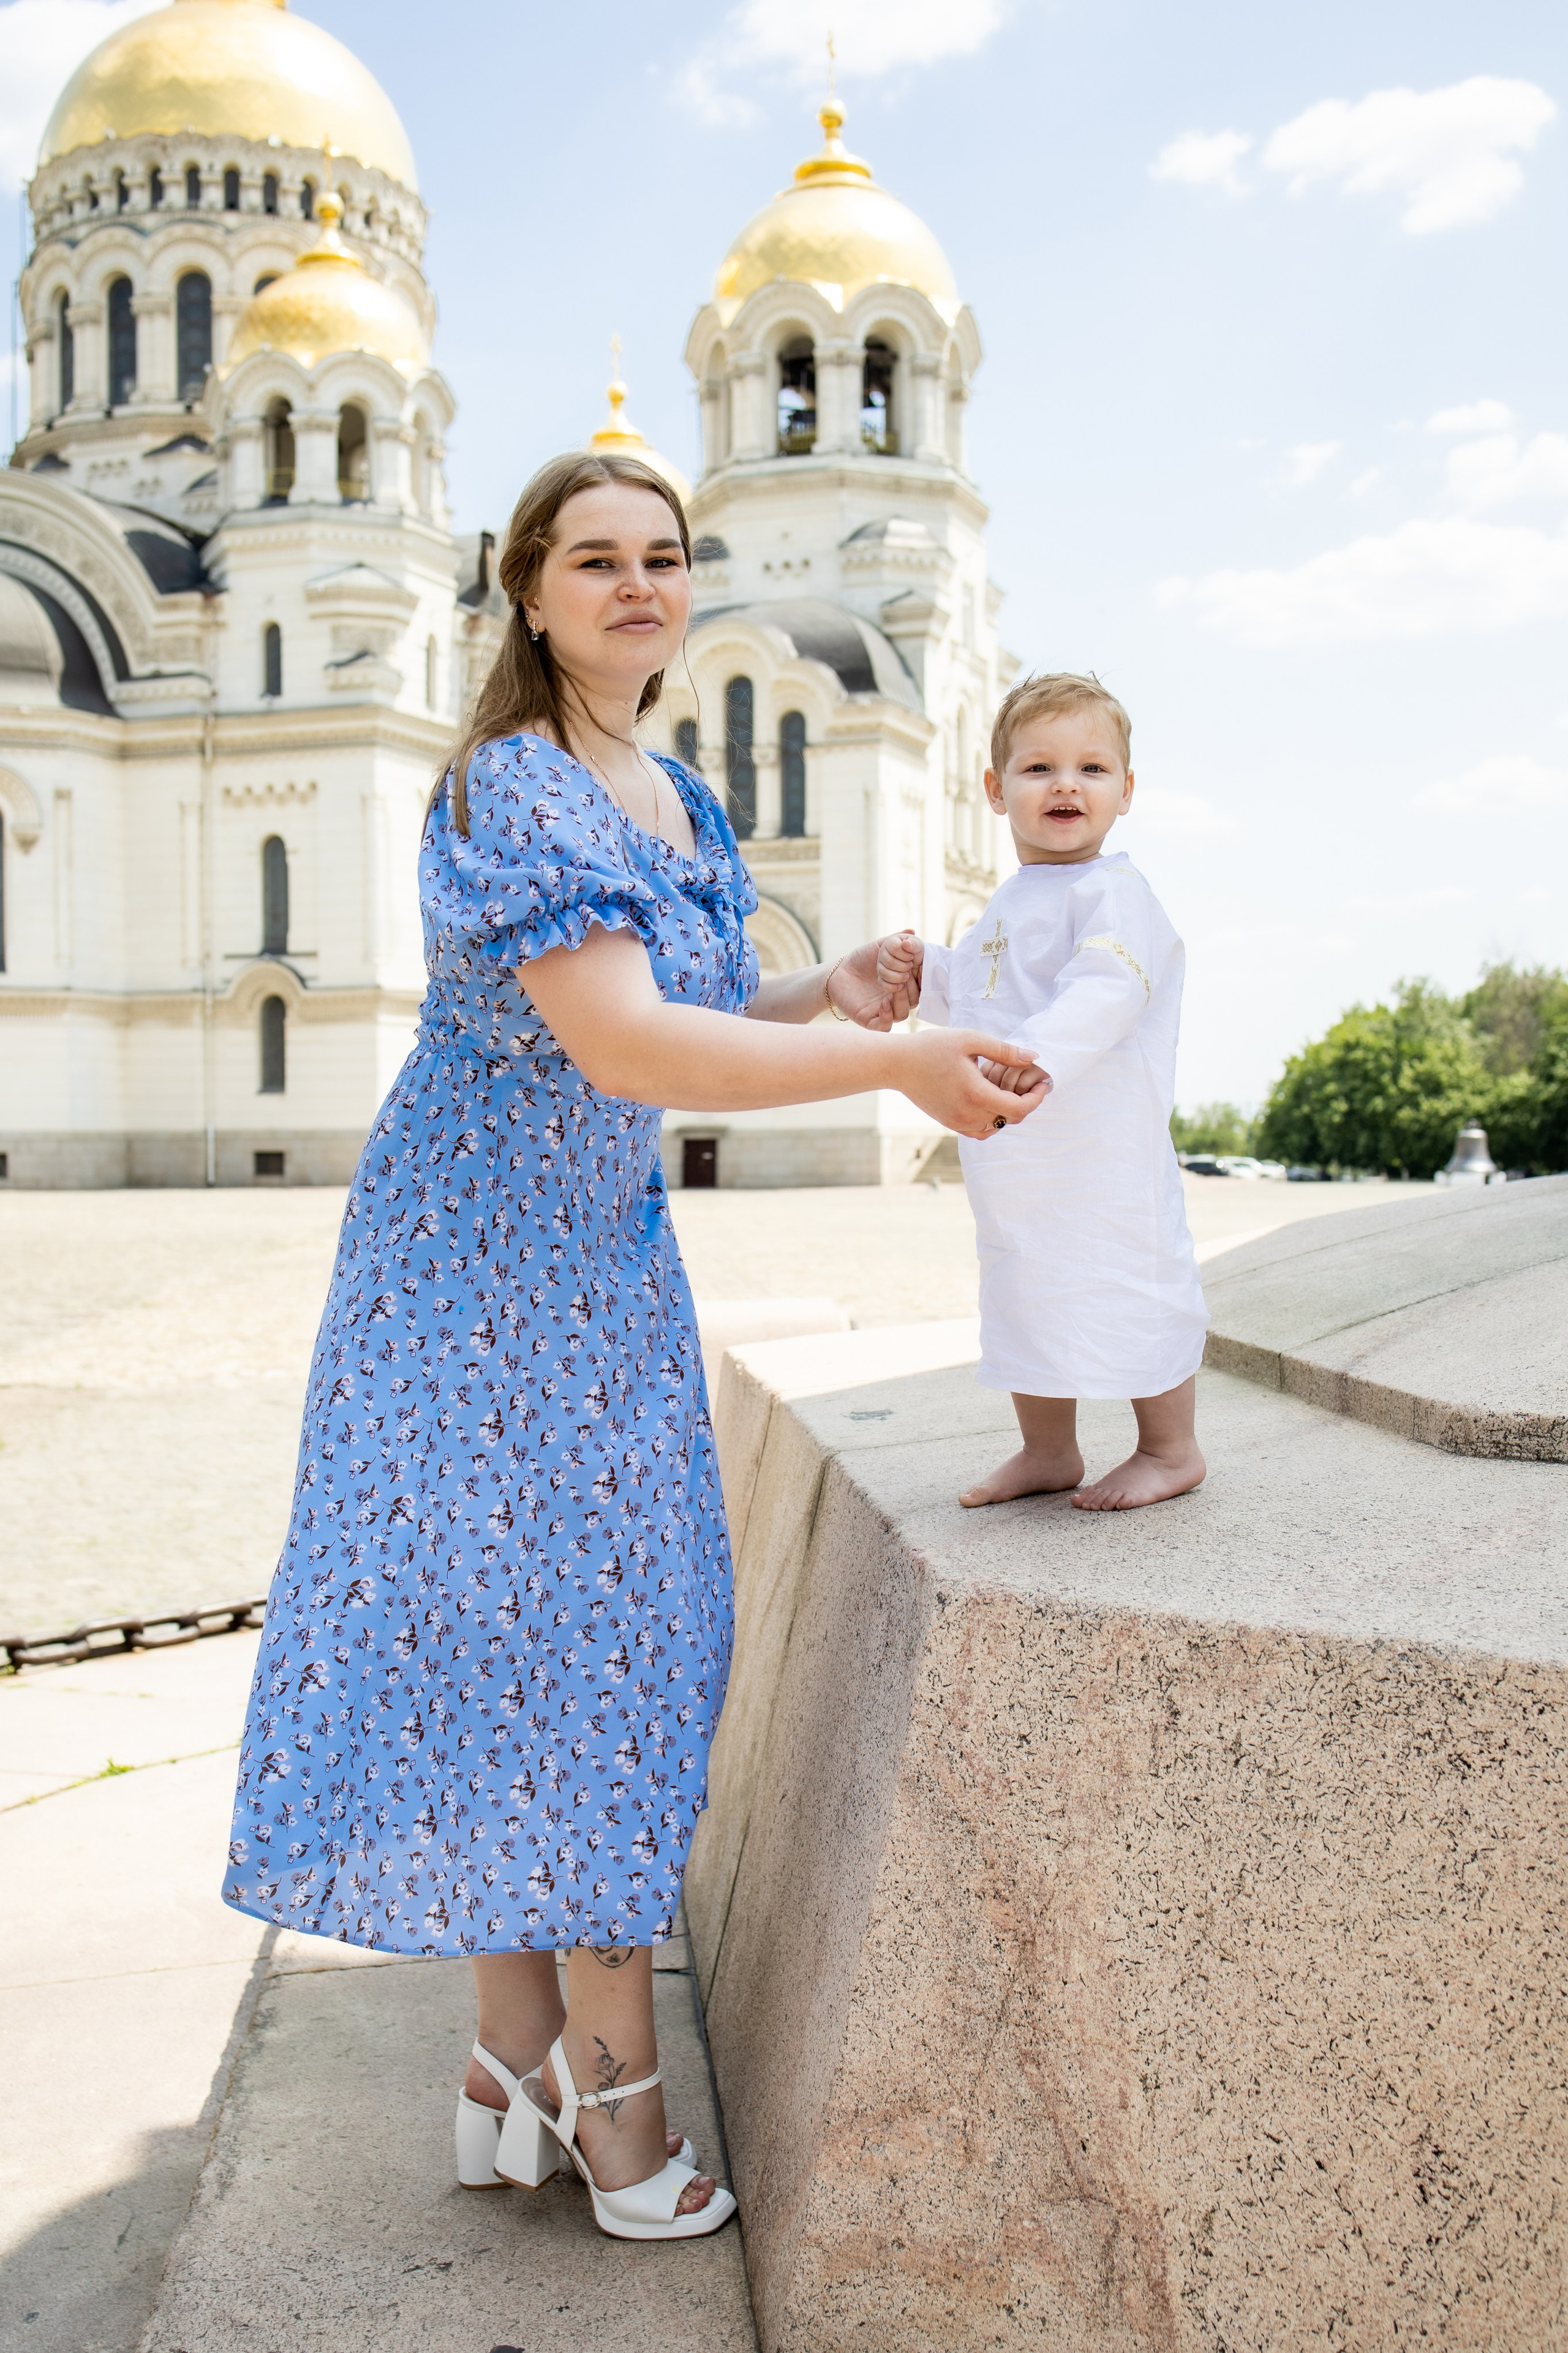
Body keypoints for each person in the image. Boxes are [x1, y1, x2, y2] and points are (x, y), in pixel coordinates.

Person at [221, 449, 1046, 2243]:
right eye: (595, 559)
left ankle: (507, 2067)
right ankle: (611, 2107)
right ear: (527, 590)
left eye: (663, 556)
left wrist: (822, 994)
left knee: (558, 1641)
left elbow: (687, 1006)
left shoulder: (670, 789)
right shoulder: (511, 782)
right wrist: (893, 1066)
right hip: (470, 1278)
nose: (639, 585)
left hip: (594, 1261)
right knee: (584, 1649)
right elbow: (622, 1047)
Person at [876, 671, 1208, 1513]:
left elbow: (1107, 989)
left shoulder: (1115, 893)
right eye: (1039, 768)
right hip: (1018, 1156)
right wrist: (923, 973)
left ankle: (1170, 1449)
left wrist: (1038, 1054)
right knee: (1025, 1286)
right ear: (995, 790)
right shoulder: (1010, 900)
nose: (1067, 784)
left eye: (1092, 768)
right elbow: (983, 991)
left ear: (1126, 790)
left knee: (1133, 1280)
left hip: (1102, 1155)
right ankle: (1048, 1449)